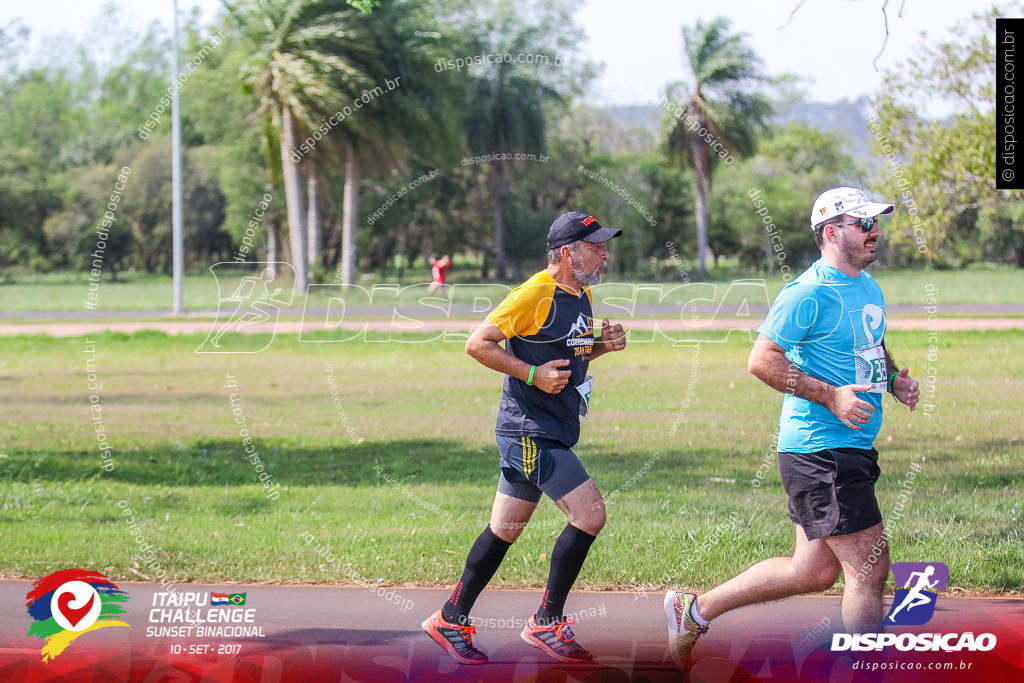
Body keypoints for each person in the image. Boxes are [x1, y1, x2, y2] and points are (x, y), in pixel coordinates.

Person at [665, 187, 921, 668]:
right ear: (831, 232)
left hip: (850, 445)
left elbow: (869, 345)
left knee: (812, 570)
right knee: (869, 564)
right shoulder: (807, 291)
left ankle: (693, 610)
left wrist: (893, 380)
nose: (876, 232)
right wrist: (832, 395)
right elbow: (761, 360)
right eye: (863, 224)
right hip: (821, 449)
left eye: (875, 223)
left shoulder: (867, 286)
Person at [422, 212, 627, 664]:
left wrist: (602, 346)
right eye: (596, 245)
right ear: (569, 252)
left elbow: (570, 352)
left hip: (549, 427)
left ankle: (450, 618)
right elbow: (478, 343)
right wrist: (531, 373)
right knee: (590, 514)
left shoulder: (581, 293)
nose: (605, 252)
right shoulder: (535, 293)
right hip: (529, 431)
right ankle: (547, 621)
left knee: (504, 530)